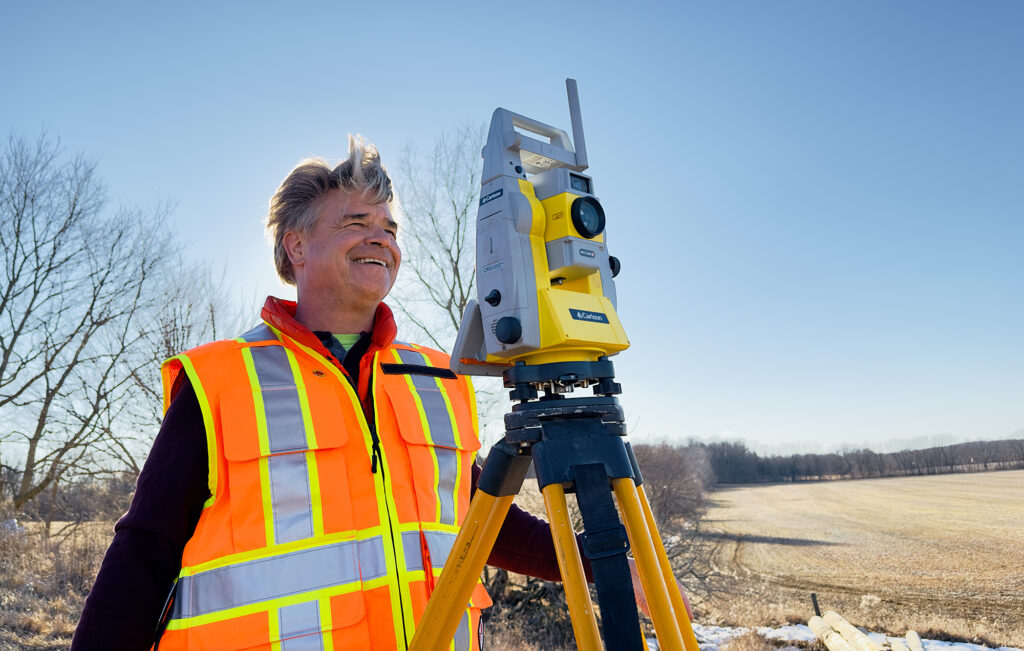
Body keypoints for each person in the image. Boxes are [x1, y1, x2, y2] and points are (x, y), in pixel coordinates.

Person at [72, 136, 688, 651]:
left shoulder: (436, 377)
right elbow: (145, 550)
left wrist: (600, 563)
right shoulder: (222, 381)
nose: (381, 238)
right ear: (295, 245)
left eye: (389, 227)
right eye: (356, 223)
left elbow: (480, 520)